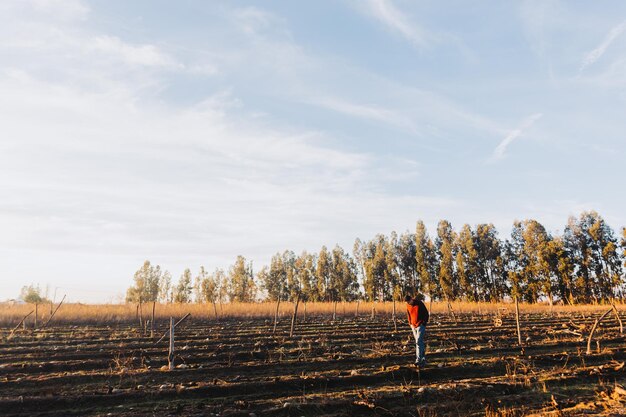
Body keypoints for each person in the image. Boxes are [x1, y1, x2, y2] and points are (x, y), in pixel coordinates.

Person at [405, 293, 429, 367]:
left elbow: (426, 313)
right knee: (419, 342)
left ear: (411, 299)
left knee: (418, 341)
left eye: (409, 301)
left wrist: (424, 322)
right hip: (413, 326)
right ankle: (423, 358)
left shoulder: (419, 304)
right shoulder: (408, 306)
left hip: (420, 325)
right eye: (407, 302)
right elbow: (408, 314)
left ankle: (418, 359)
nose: (409, 303)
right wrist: (410, 324)